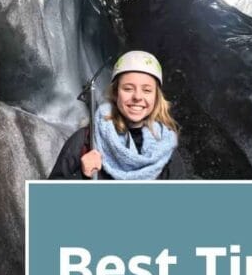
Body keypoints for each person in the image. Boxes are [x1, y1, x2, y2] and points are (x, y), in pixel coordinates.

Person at [49, 51, 186, 180]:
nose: (137, 97)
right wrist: (82, 176)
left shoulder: (168, 155)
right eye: (128, 88)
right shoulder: (84, 142)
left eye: (147, 90)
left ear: (156, 97)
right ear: (115, 93)